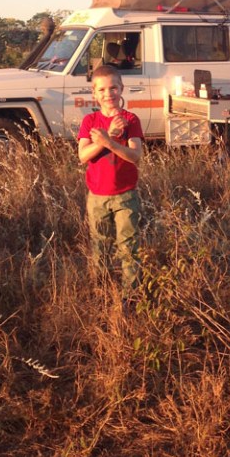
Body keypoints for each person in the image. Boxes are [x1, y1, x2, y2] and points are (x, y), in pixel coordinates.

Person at [78, 65, 144, 292]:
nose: (109, 94)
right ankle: (102, 290)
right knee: (100, 245)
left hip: (125, 194)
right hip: (97, 196)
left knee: (129, 246)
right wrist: (107, 138)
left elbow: (135, 156)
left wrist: (111, 143)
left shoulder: (131, 119)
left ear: (121, 89)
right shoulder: (90, 121)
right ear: (94, 93)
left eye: (113, 88)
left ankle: (131, 293)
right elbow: (83, 156)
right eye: (103, 90)